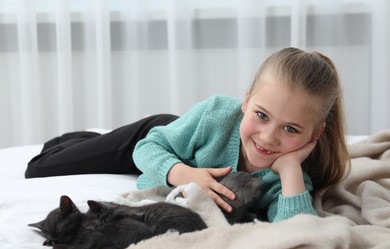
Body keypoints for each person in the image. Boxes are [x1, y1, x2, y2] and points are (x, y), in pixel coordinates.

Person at [25, 47, 351, 222]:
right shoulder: (214, 115)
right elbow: (148, 147)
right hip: (164, 138)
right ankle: (78, 140)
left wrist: (292, 167)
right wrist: (183, 172)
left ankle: (97, 140)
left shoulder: (287, 179)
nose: (268, 137)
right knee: (38, 167)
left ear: (315, 133)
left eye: (291, 129)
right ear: (247, 99)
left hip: (171, 151)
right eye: (261, 115)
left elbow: (299, 229)